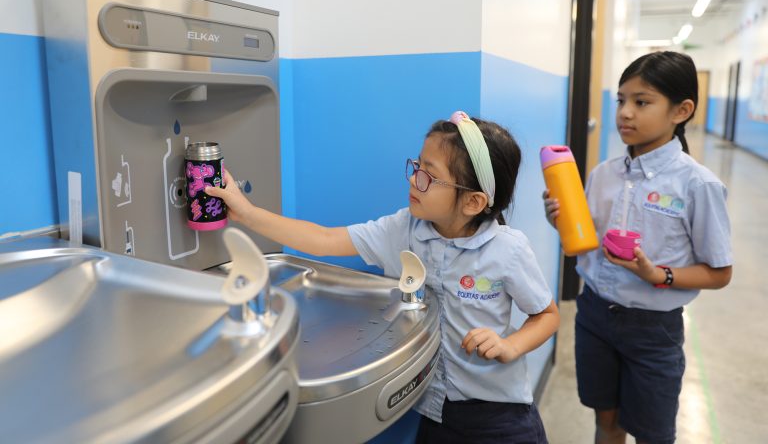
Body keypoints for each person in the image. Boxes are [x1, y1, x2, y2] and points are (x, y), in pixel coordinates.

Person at [208, 111, 559, 443]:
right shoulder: (403, 229)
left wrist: (509, 346)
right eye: (416, 165)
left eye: (428, 175)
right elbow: (325, 239)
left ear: (472, 202)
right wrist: (248, 214)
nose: (413, 179)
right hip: (435, 411)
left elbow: (546, 315)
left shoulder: (508, 250)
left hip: (499, 416)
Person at [544, 51, 732, 444]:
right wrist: (561, 223)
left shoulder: (698, 185)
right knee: (606, 423)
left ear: (681, 110)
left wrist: (658, 274)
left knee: (652, 434)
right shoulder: (603, 175)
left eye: (642, 102)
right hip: (594, 315)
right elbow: (578, 249)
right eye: (621, 100)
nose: (625, 113)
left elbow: (719, 273)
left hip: (653, 332)